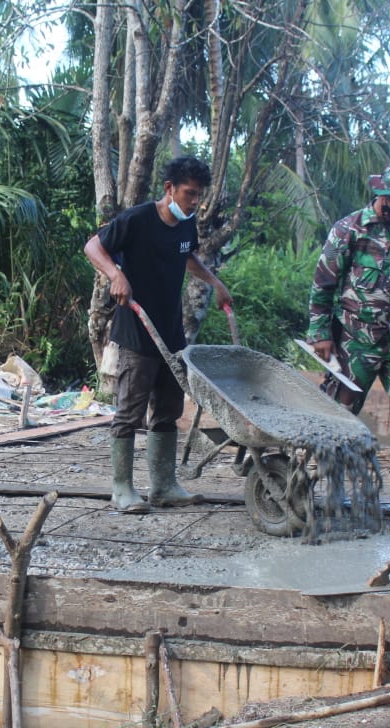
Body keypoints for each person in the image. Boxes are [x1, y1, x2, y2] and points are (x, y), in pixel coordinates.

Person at [84, 156, 233, 514]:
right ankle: (122, 489)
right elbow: (93, 246)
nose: (195, 202)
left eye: (199, 195)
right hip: (136, 331)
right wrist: (116, 275)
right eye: (189, 194)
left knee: (168, 409)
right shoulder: (137, 219)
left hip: (170, 332)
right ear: (170, 189)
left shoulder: (186, 225)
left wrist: (216, 282)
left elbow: (187, 258)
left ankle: (164, 485)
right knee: (130, 410)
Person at [306, 162, 390, 506]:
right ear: (385, 197)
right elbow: (323, 285)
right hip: (356, 340)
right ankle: (333, 491)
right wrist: (320, 332)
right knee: (339, 412)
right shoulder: (348, 230)